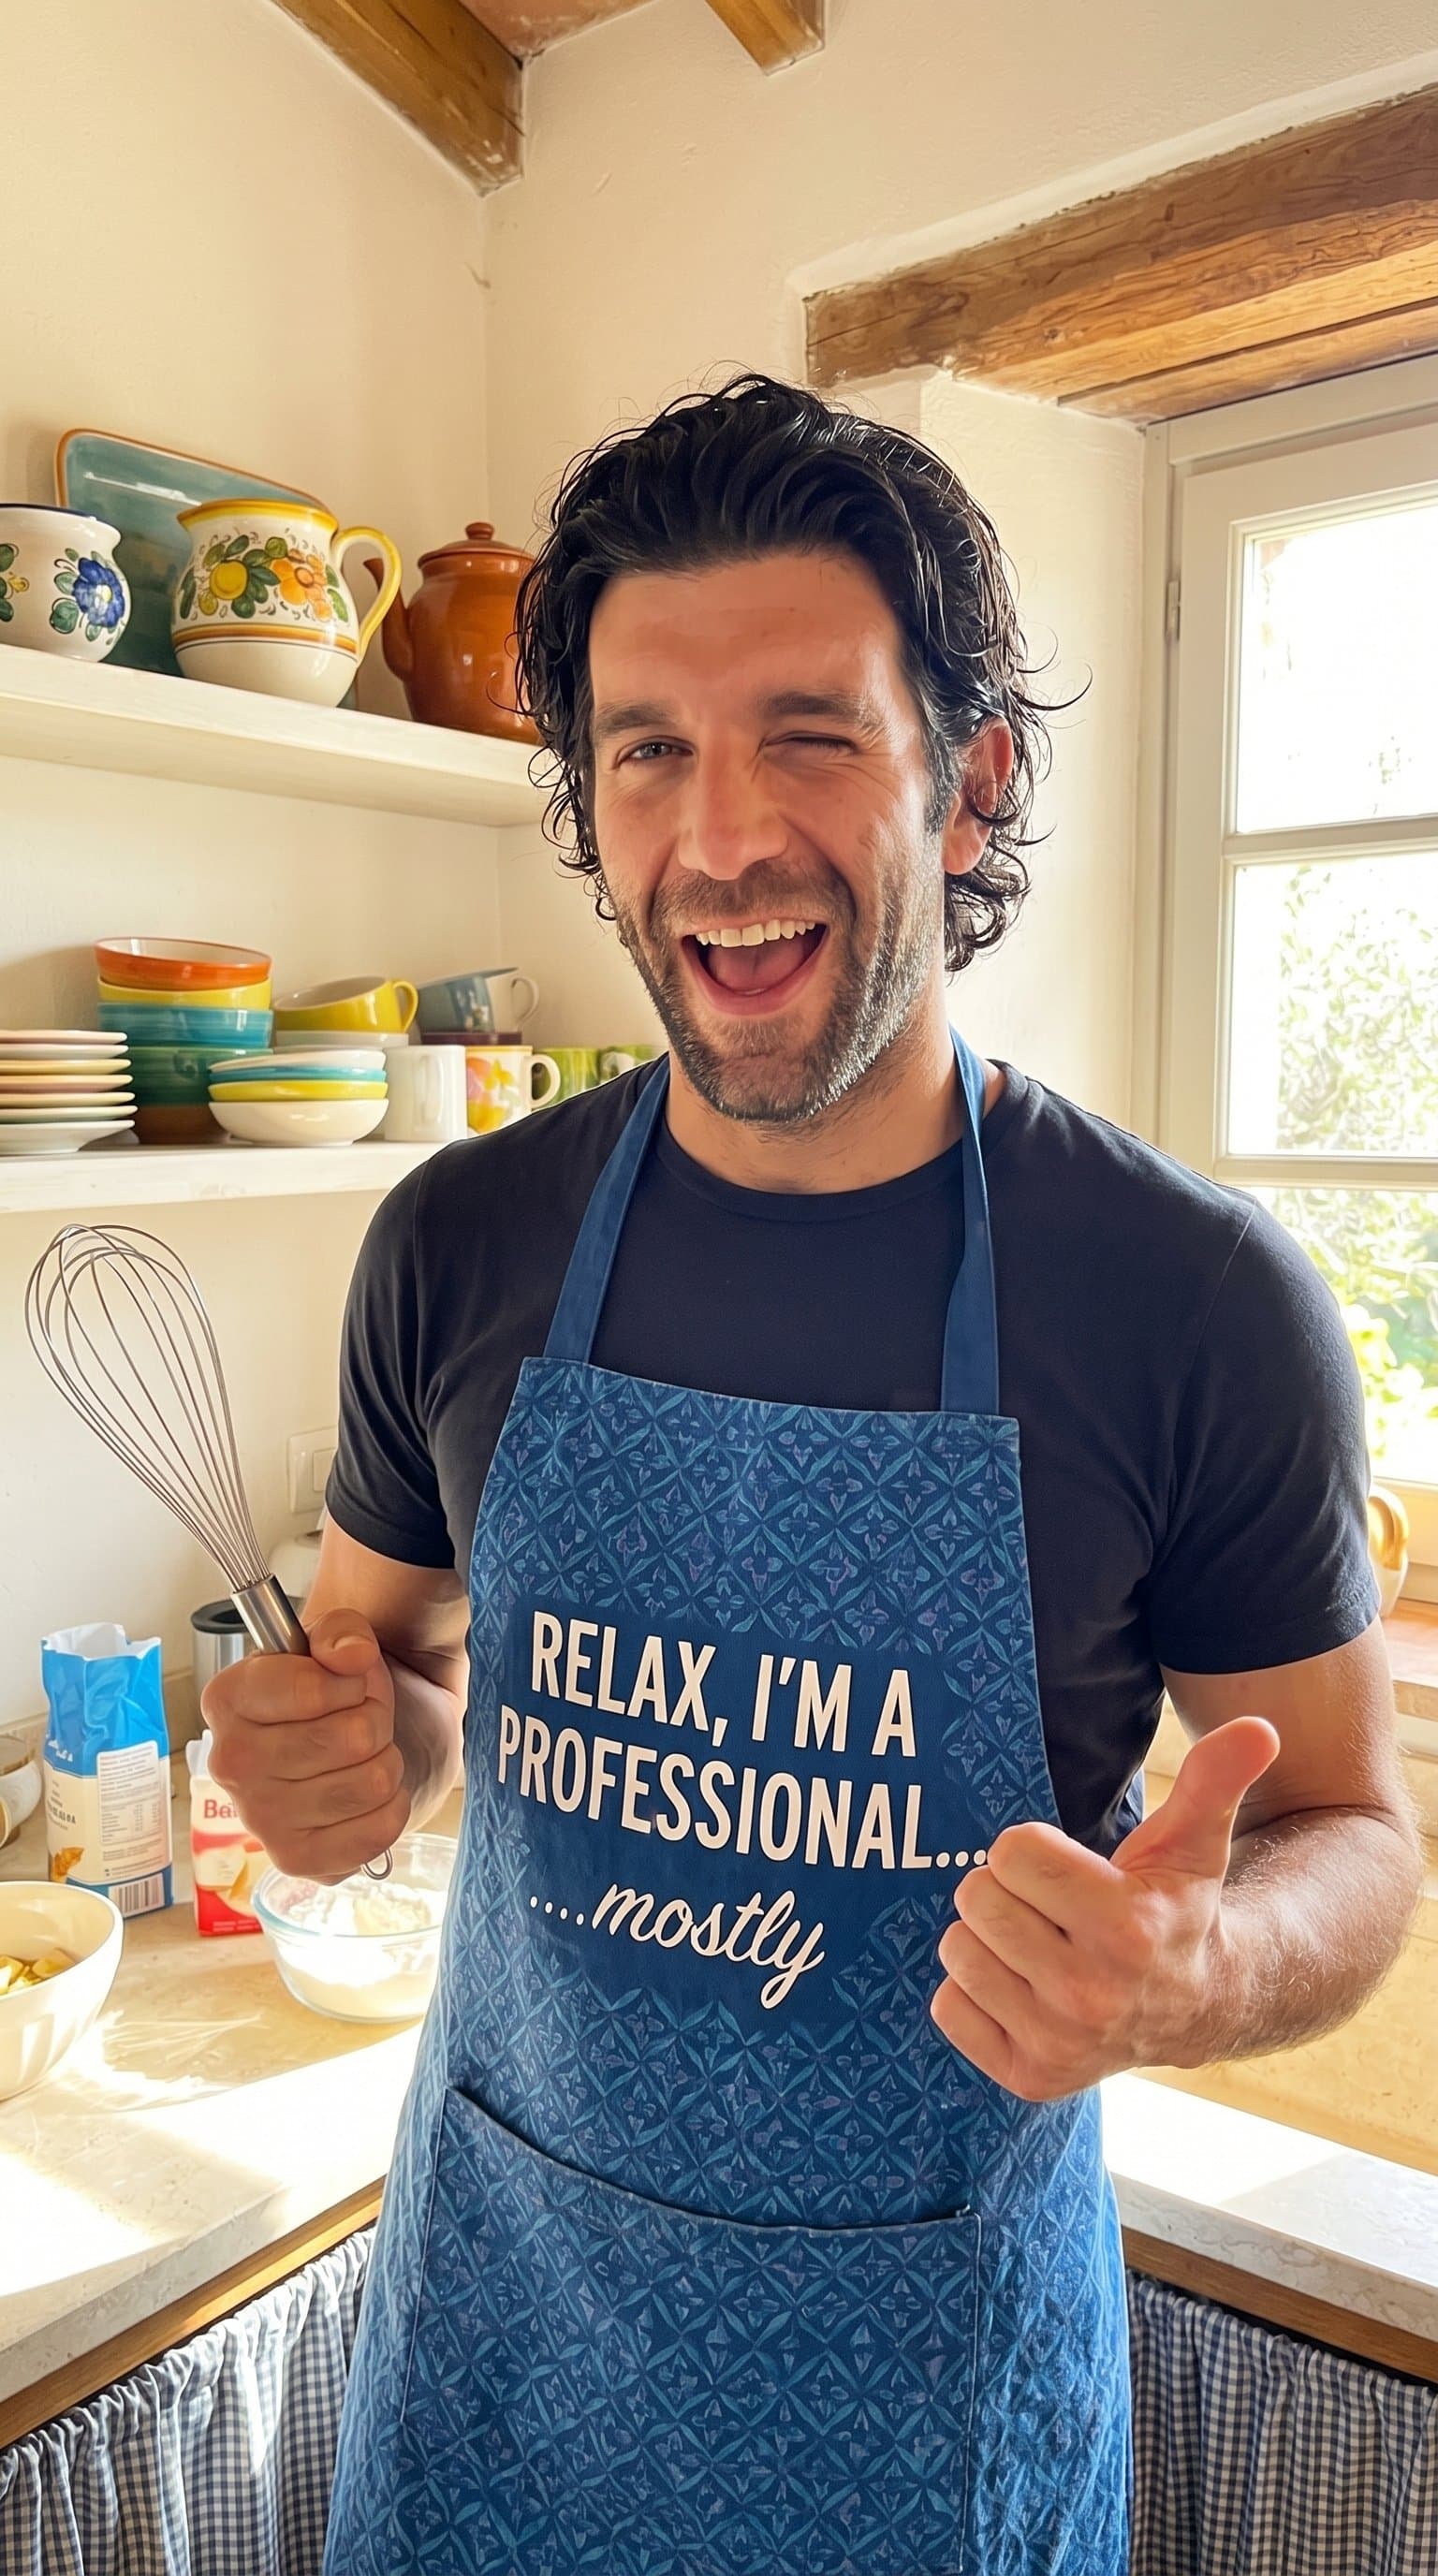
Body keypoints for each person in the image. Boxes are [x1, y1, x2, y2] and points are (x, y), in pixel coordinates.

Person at [205, 372, 1421, 2576]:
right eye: (647, 747)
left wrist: (1199, 1973)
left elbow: (1353, 1830)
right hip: (499, 2379)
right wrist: (338, 1756)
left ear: (971, 783)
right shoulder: (459, 1245)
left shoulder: (1186, 1296)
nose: (722, 832)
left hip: (924, 2434)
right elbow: (387, 1686)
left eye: (809, 733)